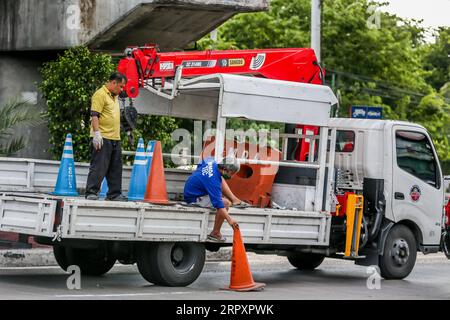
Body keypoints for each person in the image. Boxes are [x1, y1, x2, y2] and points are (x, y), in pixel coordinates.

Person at [85, 72, 128, 201]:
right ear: (113, 83)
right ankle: (91, 192)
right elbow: (94, 115)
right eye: (120, 86)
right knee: (99, 166)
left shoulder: (114, 97)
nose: (121, 89)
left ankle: (114, 194)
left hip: (115, 137)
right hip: (103, 137)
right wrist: (97, 134)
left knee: (115, 168)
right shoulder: (100, 94)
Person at [183, 156, 248, 242]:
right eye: (231, 173)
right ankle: (215, 233)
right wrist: (230, 220)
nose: (232, 177)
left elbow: (201, 163)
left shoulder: (211, 162)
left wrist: (201, 178)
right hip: (193, 198)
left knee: (220, 178)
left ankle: (235, 200)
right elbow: (219, 205)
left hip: (191, 189)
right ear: (225, 169)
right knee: (226, 203)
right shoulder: (213, 181)